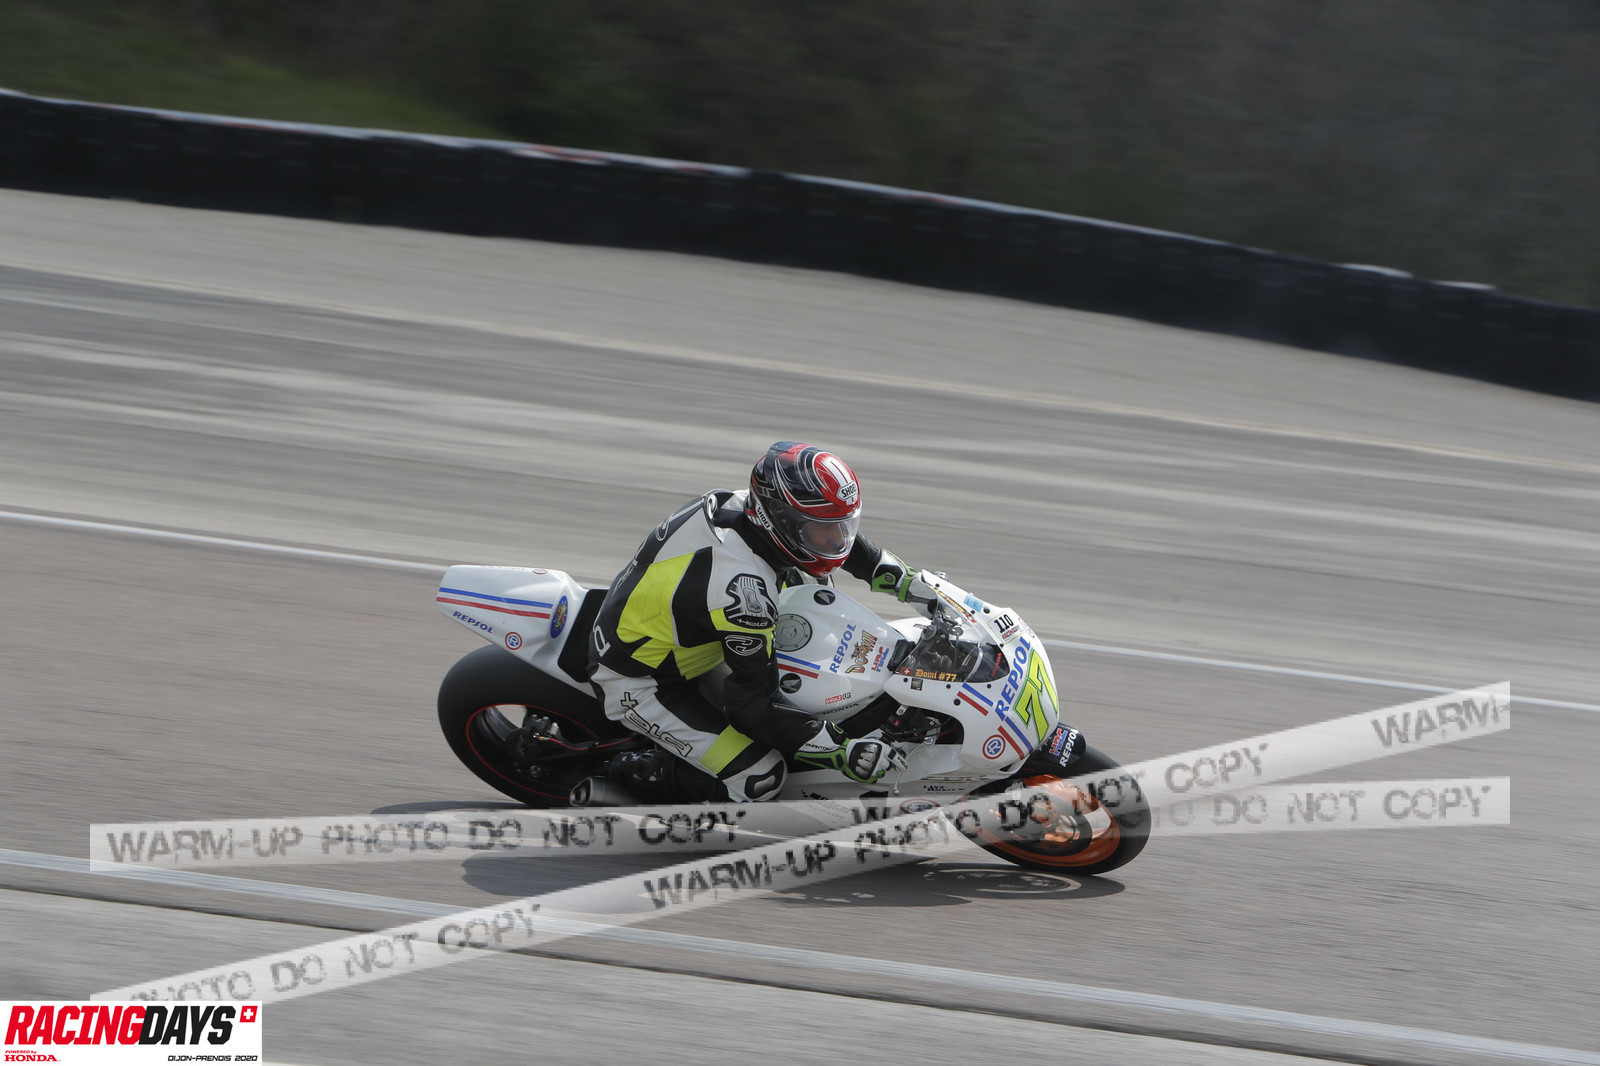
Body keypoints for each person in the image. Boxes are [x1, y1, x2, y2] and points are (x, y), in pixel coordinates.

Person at [585, 441, 937, 803]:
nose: (837, 541)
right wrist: (840, 750)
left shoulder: (751, 509)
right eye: (824, 530)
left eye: (843, 525)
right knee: (761, 777)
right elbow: (753, 705)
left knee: (810, 586)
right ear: (781, 520)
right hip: (644, 681)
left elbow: (843, 546)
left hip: (686, 635)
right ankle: (632, 773)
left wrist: (914, 585)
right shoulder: (744, 592)